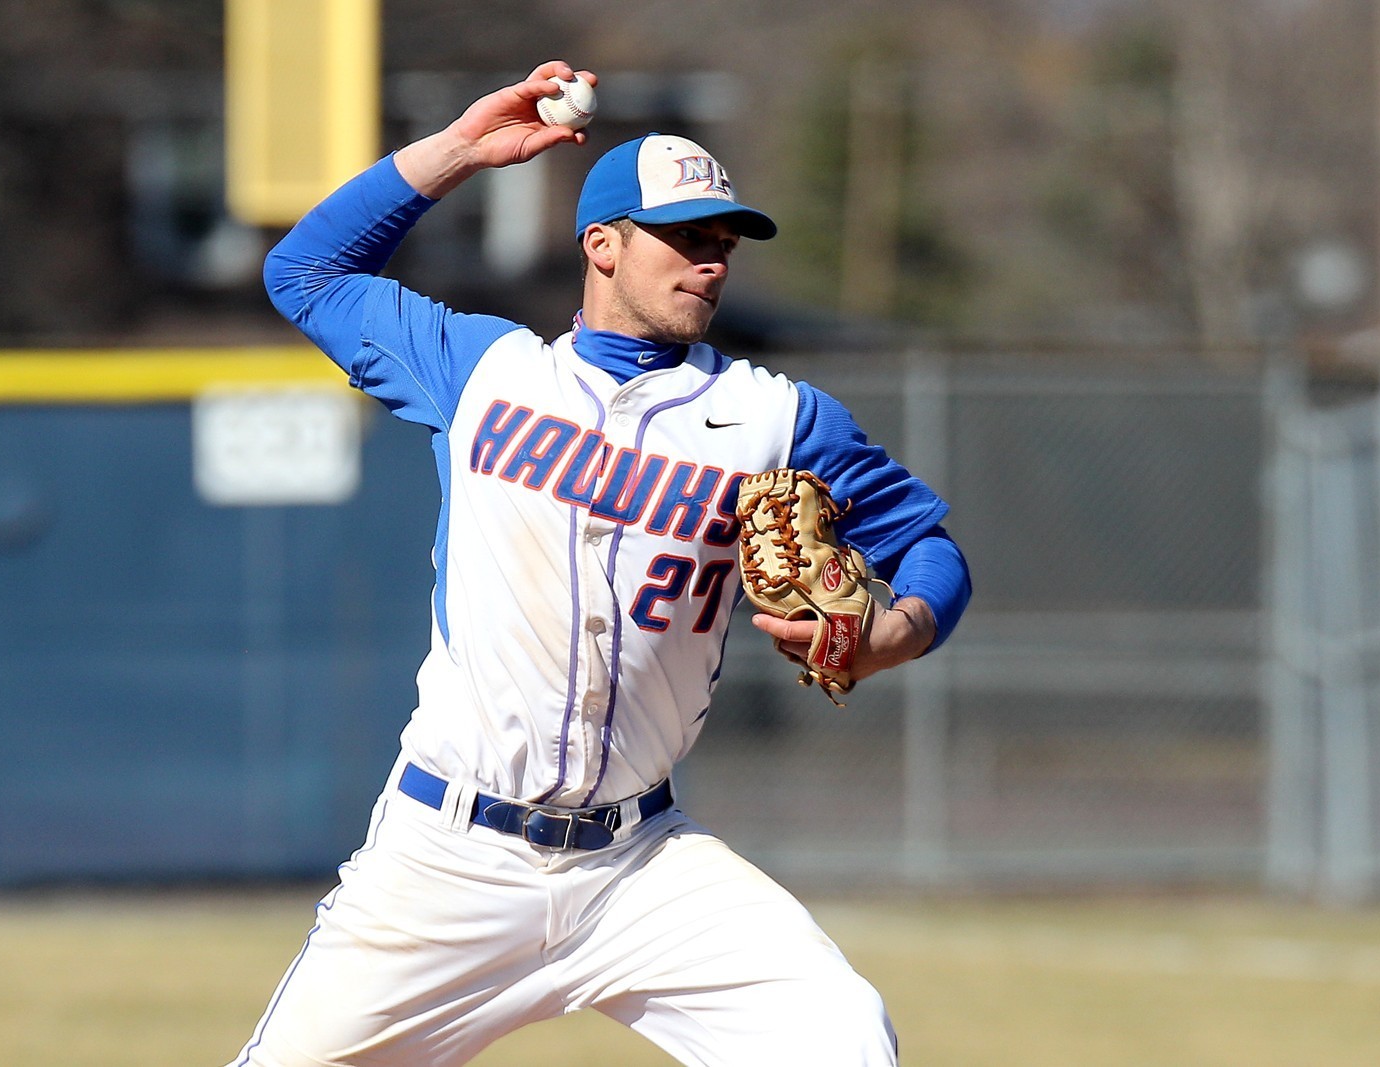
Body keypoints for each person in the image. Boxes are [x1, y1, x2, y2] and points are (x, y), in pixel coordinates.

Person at [226, 61, 971, 1067]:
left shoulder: (774, 417)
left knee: (842, 1037)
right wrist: (459, 151)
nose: (710, 262)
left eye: (722, 242)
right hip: (450, 856)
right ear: (602, 246)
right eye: (684, 239)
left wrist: (898, 629)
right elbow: (304, 273)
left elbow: (927, 544)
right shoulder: (483, 372)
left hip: (639, 864)